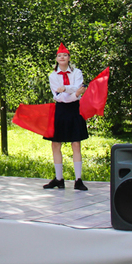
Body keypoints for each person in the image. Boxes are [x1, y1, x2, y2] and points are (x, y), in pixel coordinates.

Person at [42, 43, 89, 191]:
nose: (62, 57)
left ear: (69, 58)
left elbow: (77, 88)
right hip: (60, 110)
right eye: (59, 56)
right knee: (56, 144)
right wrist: (74, 93)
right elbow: (59, 97)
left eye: (65, 55)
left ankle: (78, 179)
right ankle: (59, 179)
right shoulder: (53, 76)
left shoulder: (77, 72)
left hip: (75, 110)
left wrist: (68, 90)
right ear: (56, 59)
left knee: (76, 144)